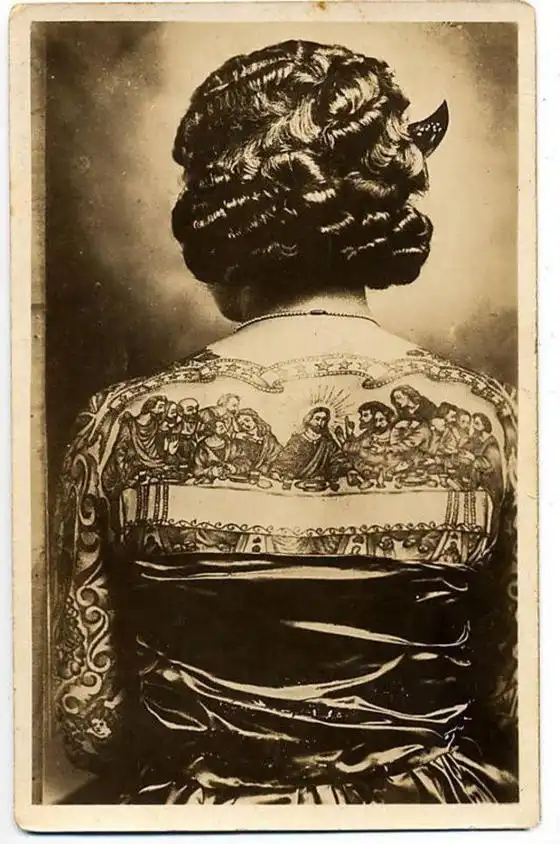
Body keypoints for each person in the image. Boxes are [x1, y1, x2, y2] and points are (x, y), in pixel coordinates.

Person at [53, 40, 518, 806]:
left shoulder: (117, 427)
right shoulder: (491, 422)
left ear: (223, 216)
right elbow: (514, 708)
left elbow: (90, 725)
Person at [272, 406, 348, 488]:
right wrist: (277, 472)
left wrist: (331, 474)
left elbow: (338, 459)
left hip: (320, 483)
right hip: (297, 483)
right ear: (309, 420)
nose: (320, 422)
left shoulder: (328, 442)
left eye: (324, 419)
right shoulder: (297, 441)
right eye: (317, 419)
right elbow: (284, 460)